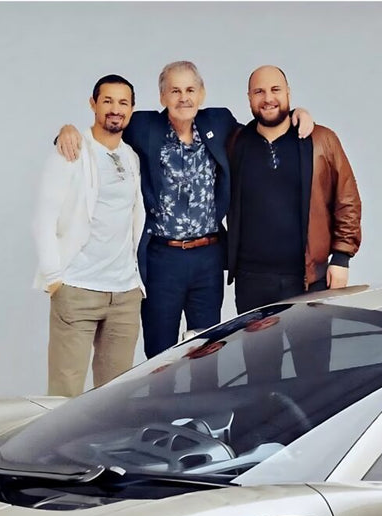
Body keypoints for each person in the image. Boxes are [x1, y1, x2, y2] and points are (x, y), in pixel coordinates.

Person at [55, 61, 313, 357]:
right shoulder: (143, 126)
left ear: (202, 94)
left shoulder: (219, 122)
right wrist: (67, 131)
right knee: (160, 353)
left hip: (208, 257)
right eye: (174, 90)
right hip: (162, 258)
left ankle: (199, 404)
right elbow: (105, 131)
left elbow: (261, 132)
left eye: (190, 89)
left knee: (207, 350)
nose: (183, 98)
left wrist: (296, 114)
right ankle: (161, 404)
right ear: (162, 97)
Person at [32, 74, 146, 396]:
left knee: (115, 399)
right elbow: (43, 218)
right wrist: (55, 278)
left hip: (124, 295)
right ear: (93, 104)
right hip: (78, 290)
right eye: (107, 100)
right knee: (64, 396)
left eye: (123, 103)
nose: (115, 109)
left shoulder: (131, 157)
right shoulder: (71, 152)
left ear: (132, 110)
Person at [228, 65, 362, 314]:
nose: (268, 98)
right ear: (249, 98)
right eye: (259, 91)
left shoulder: (321, 140)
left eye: (275, 89)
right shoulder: (236, 142)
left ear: (288, 93)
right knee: (258, 354)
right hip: (251, 280)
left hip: (309, 278)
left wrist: (342, 258)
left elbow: (347, 199)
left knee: (314, 353)